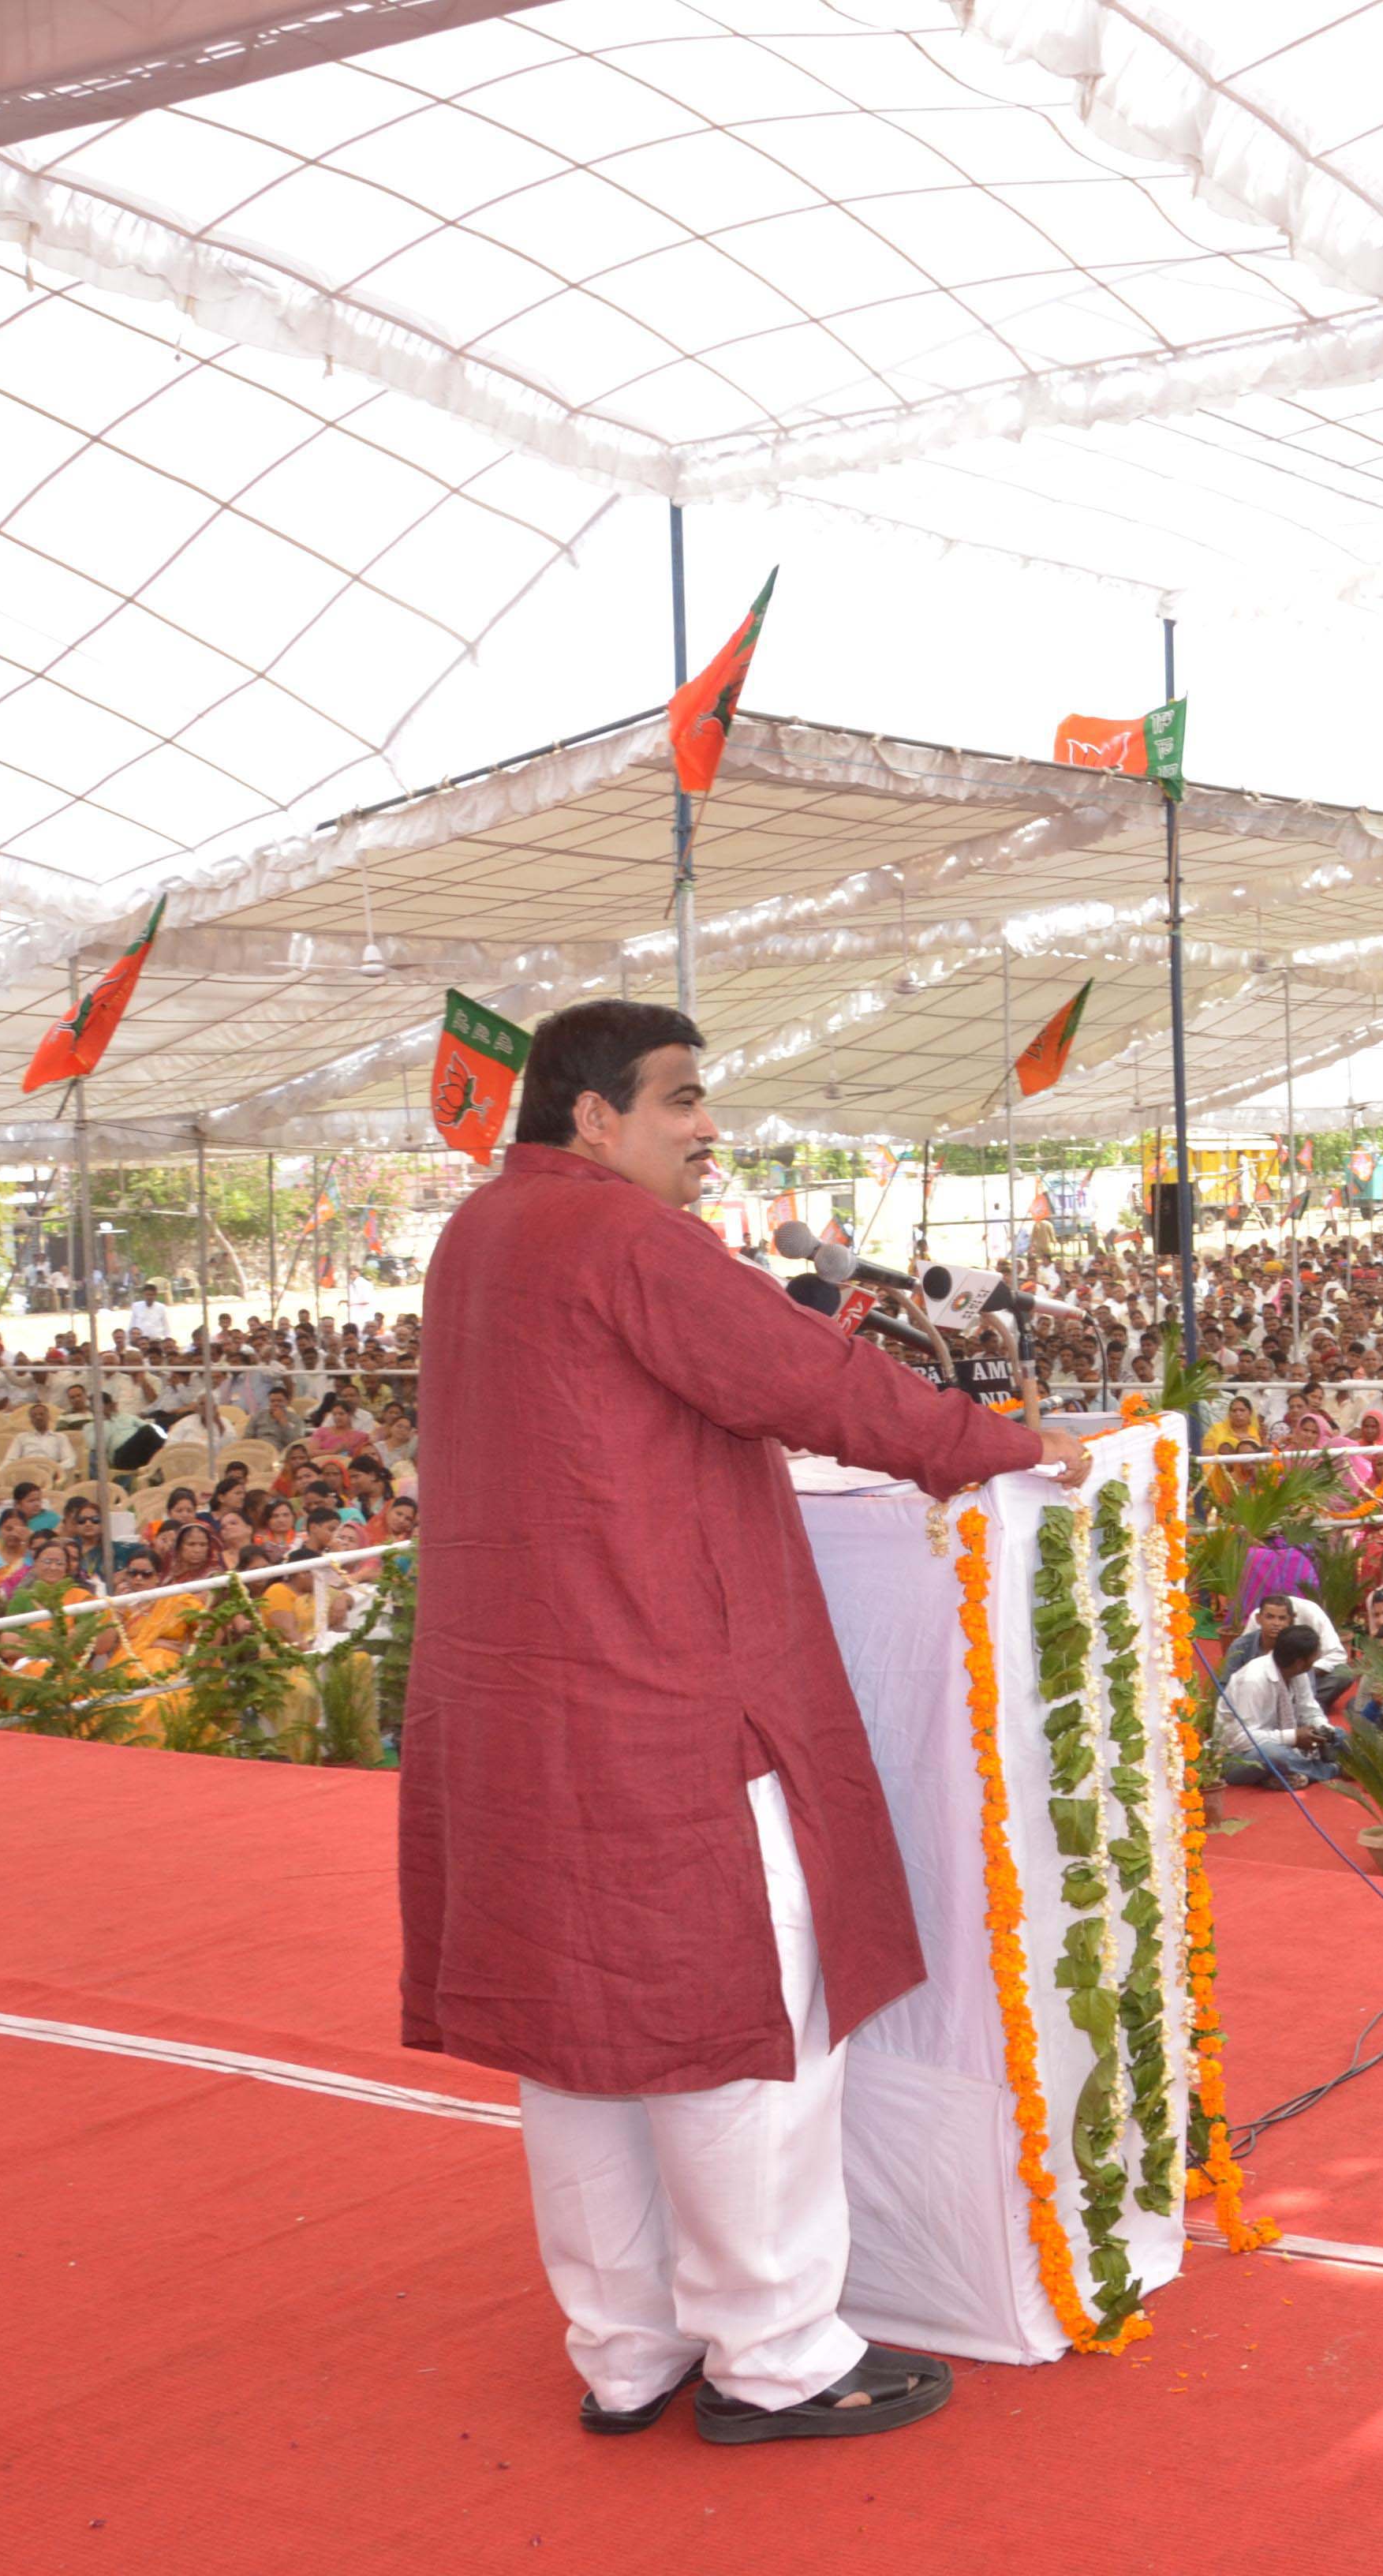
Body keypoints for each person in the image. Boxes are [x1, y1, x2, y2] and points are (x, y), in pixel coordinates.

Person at [401, 998, 1082, 2448]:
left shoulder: (476, 1235)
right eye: (683, 1100)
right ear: (594, 1116)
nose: (709, 1129)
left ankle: (625, 2347)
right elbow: (808, 1380)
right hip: (658, 1693)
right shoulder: (623, 1236)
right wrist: (1003, 1442)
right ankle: (772, 2354)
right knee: (736, 2020)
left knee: (576, 2036)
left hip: (521, 1707)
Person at [1217, 1625, 1341, 1784]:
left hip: (1282, 1744)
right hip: (1237, 1757)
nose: (1316, 1660)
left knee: (1339, 1735)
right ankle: (1330, 1770)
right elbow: (1241, 1739)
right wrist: (1293, 1737)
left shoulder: (1298, 1672)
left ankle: (1283, 1776)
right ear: (1300, 1662)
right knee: (1273, 1754)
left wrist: (1322, 1729)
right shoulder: (1252, 1680)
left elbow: (1309, 1711)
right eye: (1314, 1657)